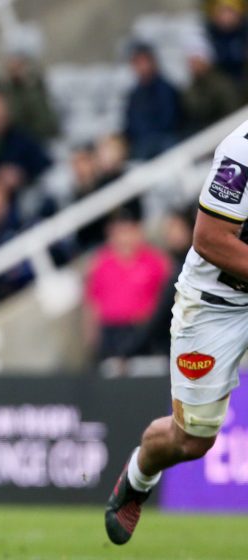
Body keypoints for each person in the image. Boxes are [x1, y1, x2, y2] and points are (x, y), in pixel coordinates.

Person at [104, 117, 248, 544]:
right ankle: (138, 475)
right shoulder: (241, 150)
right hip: (215, 303)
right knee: (191, 440)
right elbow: (210, 239)